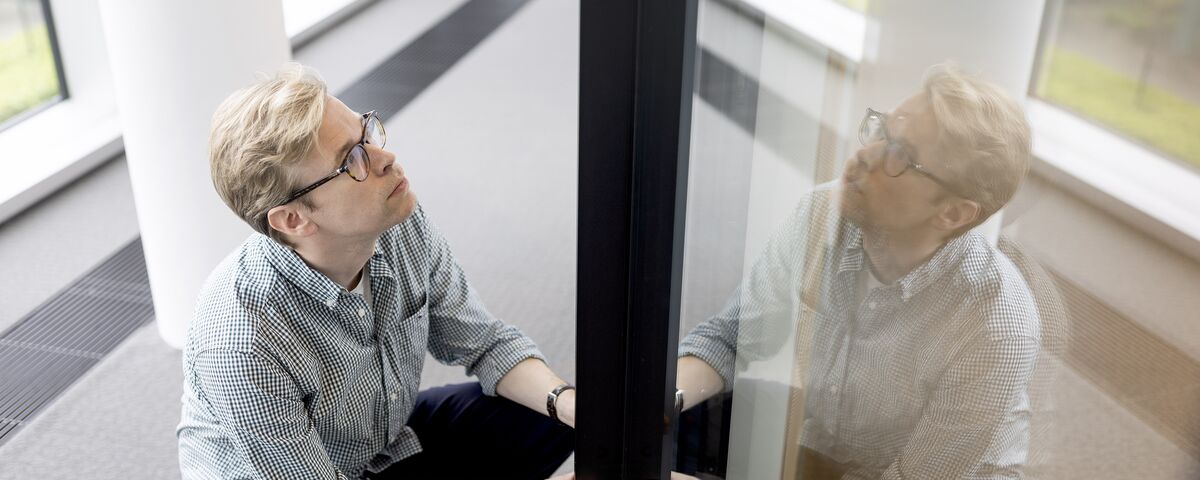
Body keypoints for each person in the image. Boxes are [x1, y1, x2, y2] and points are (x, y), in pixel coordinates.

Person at [177, 63, 574, 479]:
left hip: (381, 444)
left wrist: (568, 404)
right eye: (352, 160)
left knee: (560, 418)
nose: (385, 158)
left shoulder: (396, 220)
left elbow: (485, 344)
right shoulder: (242, 344)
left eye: (366, 133)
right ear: (293, 219)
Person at [675, 64, 1042, 479]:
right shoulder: (822, 214)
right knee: (637, 425)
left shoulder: (997, 326)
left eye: (900, 155)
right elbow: (730, 339)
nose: (864, 156)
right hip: (829, 437)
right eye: (882, 130)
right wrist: (662, 404)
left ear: (953, 213)